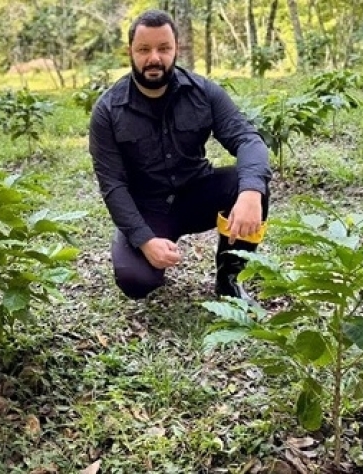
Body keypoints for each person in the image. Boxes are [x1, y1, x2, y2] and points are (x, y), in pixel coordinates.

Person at [88, 9, 272, 302]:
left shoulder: (204, 92)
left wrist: (251, 192)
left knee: (250, 181)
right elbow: (112, 184)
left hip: (198, 193)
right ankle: (150, 254)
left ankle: (230, 279)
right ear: (130, 52)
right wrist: (145, 241)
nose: (154, 58)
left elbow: (248, 139)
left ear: (177, 49)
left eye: (164, 48)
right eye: (144, 49)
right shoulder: (108, 110)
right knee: (136, 281)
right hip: (149, 209)